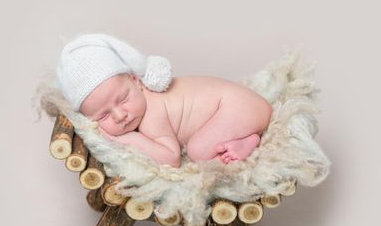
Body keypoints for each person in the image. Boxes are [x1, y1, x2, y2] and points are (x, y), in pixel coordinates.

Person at [56, 34, 273, 168]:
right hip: (240, 106)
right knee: (202, 149)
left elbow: (171, 158)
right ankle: (242, 139)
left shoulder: (152, 113)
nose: (120, 115)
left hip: (239, 107)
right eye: (103, 115)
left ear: (135, 80)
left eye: (123, 99)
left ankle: (250, 142)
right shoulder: (137, 103)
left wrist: (128, 139)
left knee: (198, 151)